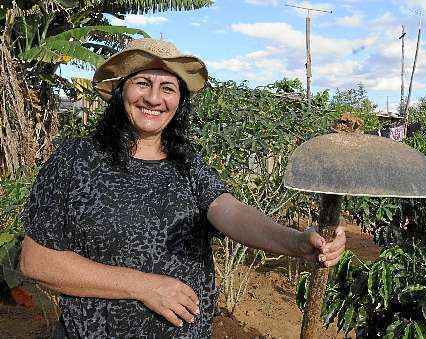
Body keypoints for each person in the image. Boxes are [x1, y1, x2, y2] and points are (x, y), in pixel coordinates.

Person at [19, 38, 346, 338]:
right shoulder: (77, 158)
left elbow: (229, 211)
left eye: (168, 88)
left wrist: (297, 242)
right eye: (142, 83)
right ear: (121, 92)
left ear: (180, 101)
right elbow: (37, 262)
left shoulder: (187, 164)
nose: (153, 98)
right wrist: (143, 287)